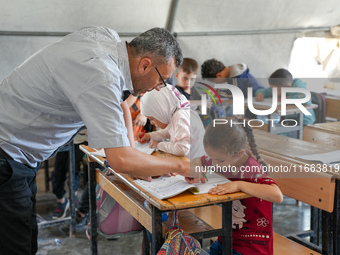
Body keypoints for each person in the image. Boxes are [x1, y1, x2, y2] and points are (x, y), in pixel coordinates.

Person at [0, 26, 195, 255]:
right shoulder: (101, 74)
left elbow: (122, 106)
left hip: (18, 155)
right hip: (8, 156)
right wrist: (183, 165)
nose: (158, 88)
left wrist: (136, 161)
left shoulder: (106, 39)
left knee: (26, 238)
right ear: (145, 65)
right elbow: (120, 159)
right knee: (16, 247)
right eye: (162, 80)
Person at [192, 117, 283, 255]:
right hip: (228, 238)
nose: (214, 164)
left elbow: (277, 195)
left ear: (239, 154)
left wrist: (240, 184)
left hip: (251, 247)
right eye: (212, 158)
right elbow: (198, 160)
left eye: (219, 160)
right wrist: (196, 170)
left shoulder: (252, 169)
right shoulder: (225, 159)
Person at [136, 85, 206, 159]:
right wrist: (149, 136)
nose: (151, 123)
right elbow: (170, 132)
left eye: (151, 119)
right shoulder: (179, 112)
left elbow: (182, 149)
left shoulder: (180, 116)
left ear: (161, 111)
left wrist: (159, 145)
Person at [51, 129, 88, 219]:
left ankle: (73, 196)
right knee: (58, 171)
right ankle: (62, 200)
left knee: (72, 169)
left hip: (83, 140)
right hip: (65, 138)